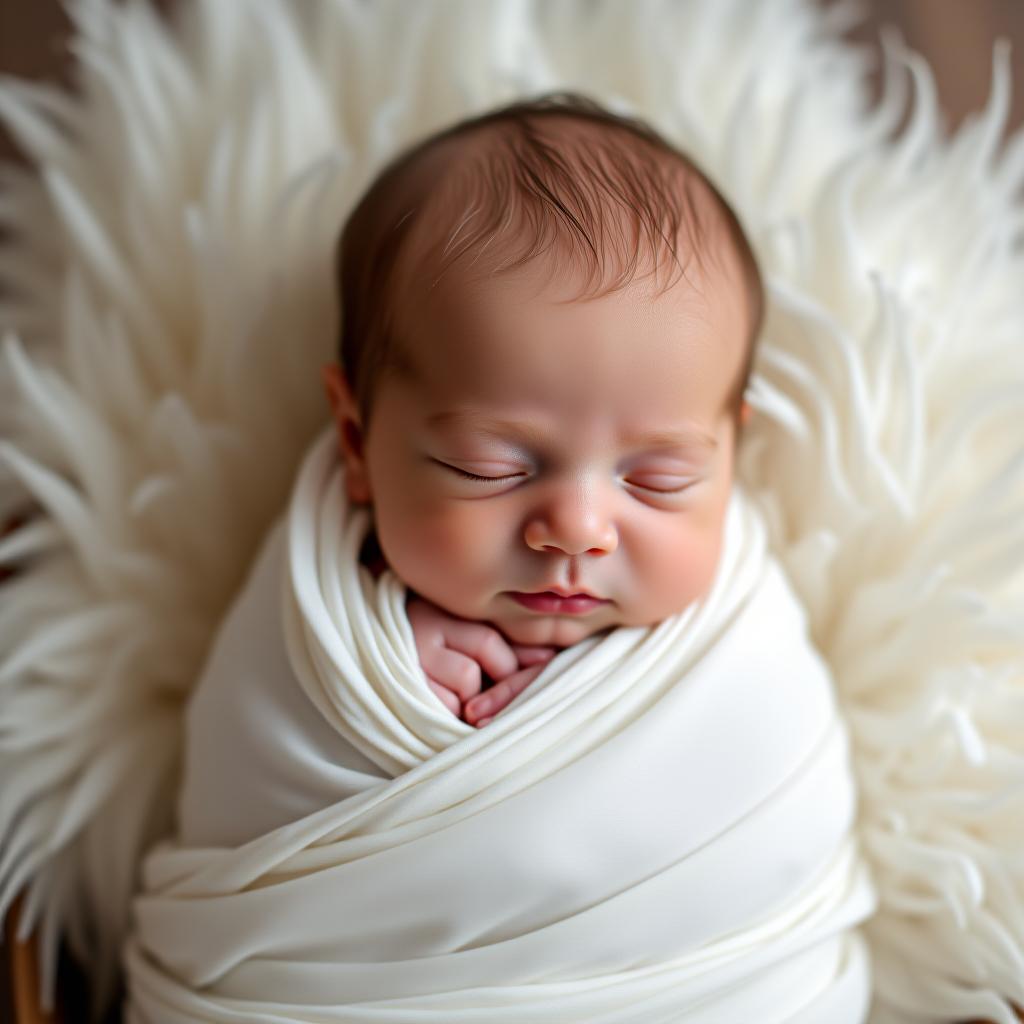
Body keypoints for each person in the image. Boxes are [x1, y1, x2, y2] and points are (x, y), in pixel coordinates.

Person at [322, 91, 761, 729]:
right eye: (488, 468)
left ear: (729, 463)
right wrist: (374, 679)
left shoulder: (739, 637)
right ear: (357, 442)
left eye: (658, 479)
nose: (579, 528)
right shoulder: (331, 608)